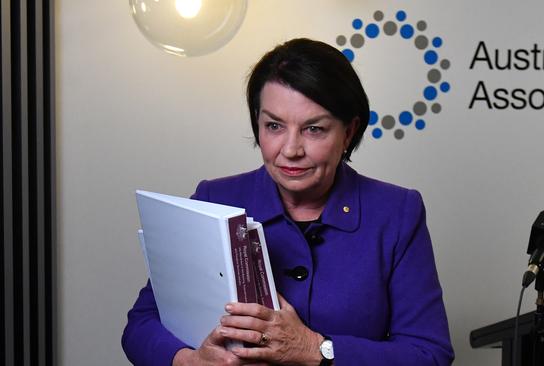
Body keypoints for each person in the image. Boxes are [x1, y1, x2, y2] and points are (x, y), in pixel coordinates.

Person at [122, 38, 454, 366]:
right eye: (274, 126)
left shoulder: (396, 213)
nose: (291, 149)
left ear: (349, 132)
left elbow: (429, 354)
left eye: (314, 129)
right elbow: (142, 324)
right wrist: (188, 361)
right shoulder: (214, 199)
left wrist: (315, 349)